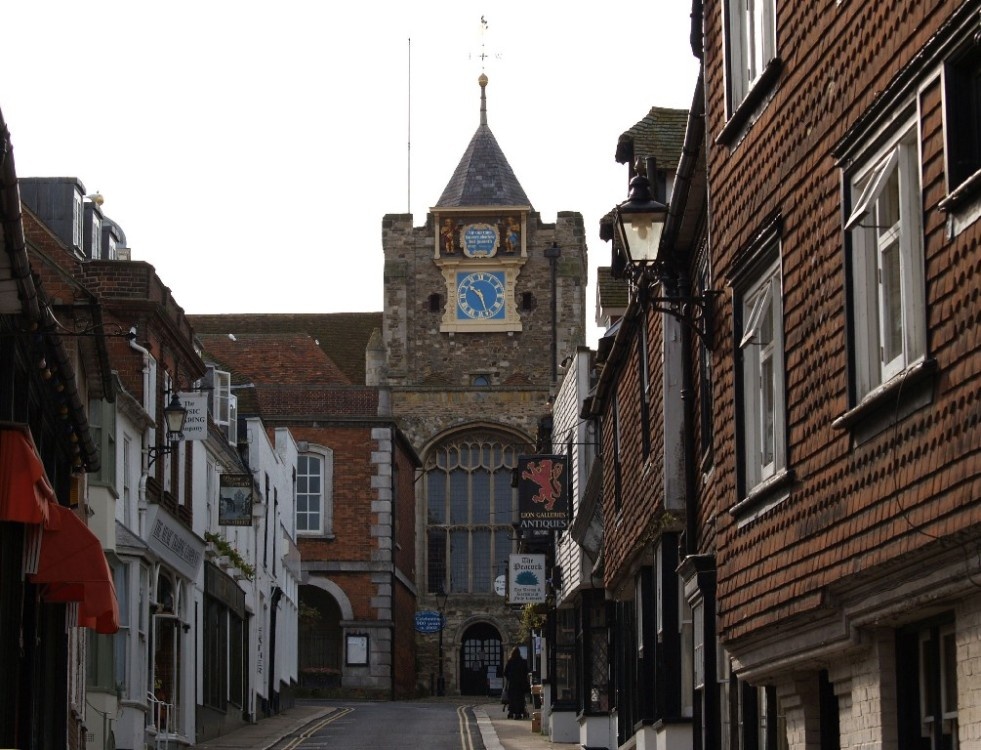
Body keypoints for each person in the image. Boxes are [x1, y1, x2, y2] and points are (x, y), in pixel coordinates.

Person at [502, 647, 529, 719]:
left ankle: (511, 712)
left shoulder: (510, 662)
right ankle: (518, 713)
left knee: (512, 699)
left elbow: (505, 673)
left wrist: (509, 678)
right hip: (521, 684)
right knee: (520, 698)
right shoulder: (523, 662)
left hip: (512, 684)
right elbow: (526, 672)